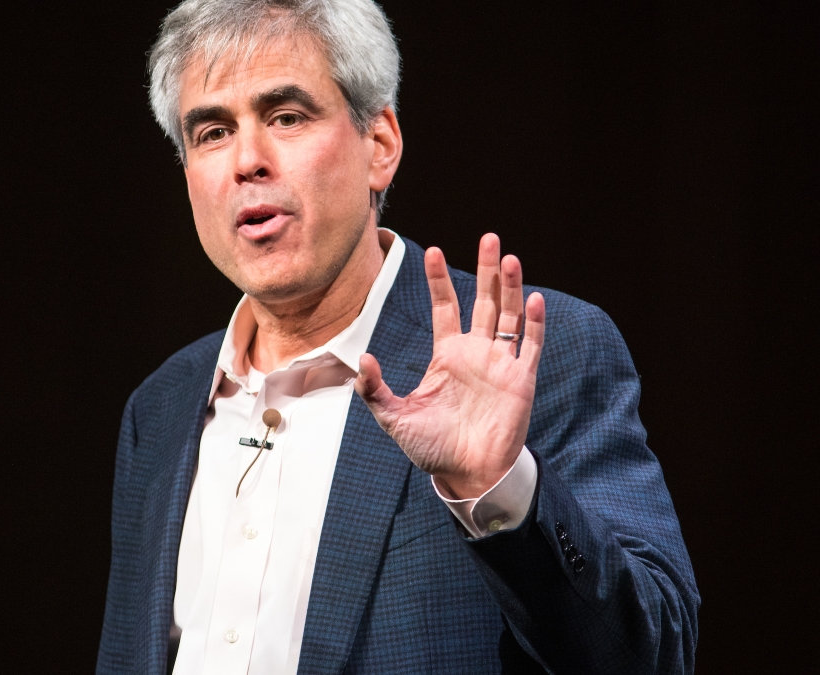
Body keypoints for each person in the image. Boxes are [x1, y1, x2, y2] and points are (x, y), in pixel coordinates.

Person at [98, 1, 699, 673]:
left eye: (286, 117)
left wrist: (499, 488)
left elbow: (652, 653)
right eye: (211, 131)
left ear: (379, 143)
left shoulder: (531, 350)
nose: (247, 161)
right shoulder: (160, 409)